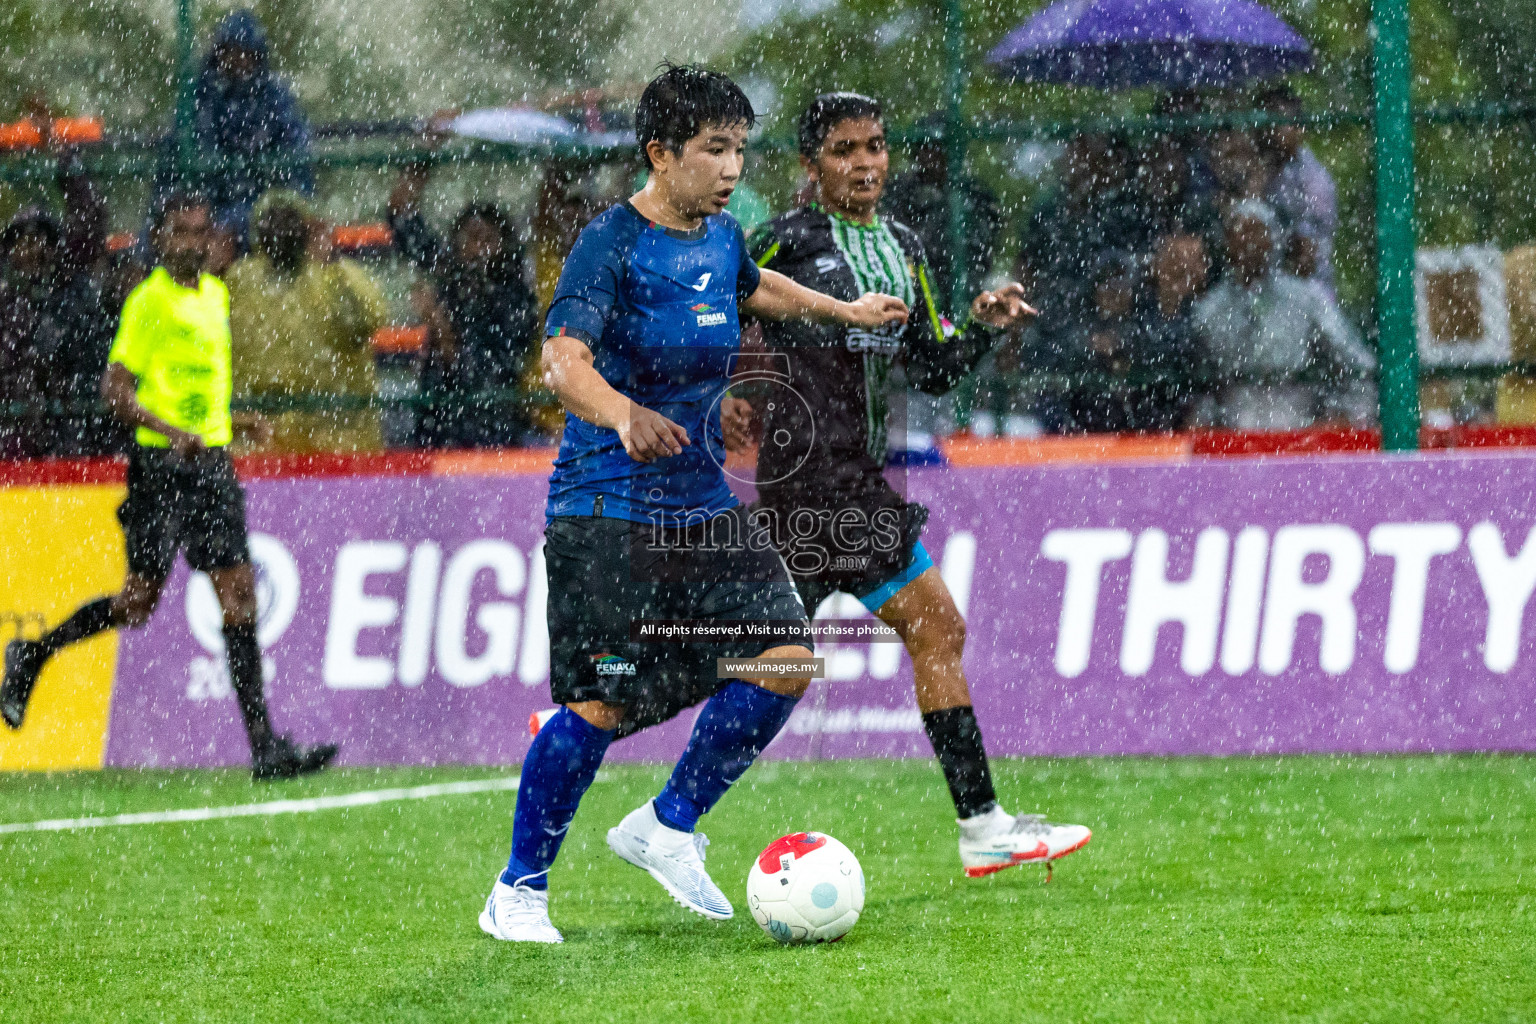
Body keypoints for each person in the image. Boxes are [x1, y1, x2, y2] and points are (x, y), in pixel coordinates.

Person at [479, 65, 909, 944]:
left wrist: (846, 311)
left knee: (785, 659)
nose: (730, 169)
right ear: (660, 153)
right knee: (601, 704)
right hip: (605, 507)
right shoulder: (610, 243)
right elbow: (563, 360)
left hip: (701, 506)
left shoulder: (719, 238)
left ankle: (666, 825)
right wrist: (622, 413)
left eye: (740, 150)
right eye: (714, 150)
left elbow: (757, 287)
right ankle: (517, 891)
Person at [723, 92, 1089, 878]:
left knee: (784, 656)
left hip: (847, 485)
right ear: (811, 165)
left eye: (876, 146)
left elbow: (928, 363)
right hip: (811, 487)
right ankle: (983, 825)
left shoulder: (902, 246)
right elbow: (716, 313)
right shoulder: (782, 243)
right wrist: (725, 391)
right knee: (919, 631)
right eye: (845, 150)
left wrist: (981, 326)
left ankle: (616, 744)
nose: (864, 164)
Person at [0, 192, 338, 781]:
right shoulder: (147, 302)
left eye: (200, 232)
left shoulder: (216, 296)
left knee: (239, 595)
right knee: (137, 603)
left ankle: (265, 749)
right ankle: (31, 654)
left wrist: (233, 422)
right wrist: (171, 432)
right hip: (160, 469)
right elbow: (117, 392)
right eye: (180, 232)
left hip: (209, 468)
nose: (192, 242)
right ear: (161, 239)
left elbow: (199, 393)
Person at [388, 135, 540, 448]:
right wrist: (427, 149)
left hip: (490, 433)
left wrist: (437, 319)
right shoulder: (448, 270)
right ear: (456, 243)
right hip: (436, 428)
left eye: (487, 238)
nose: (478, 248)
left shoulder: (516, 298)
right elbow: (400, 214)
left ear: (504, 245)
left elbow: (478, 373)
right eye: (470, 237)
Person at [225, 191, 388, 453]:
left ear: (308, 226)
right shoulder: (241, 280)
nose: (280, 231)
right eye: (271, 222)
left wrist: (330, 264)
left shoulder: (337, 273)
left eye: (289, 221)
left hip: (337, 444)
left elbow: (363, 323)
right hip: (264, 447)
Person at [1191, 200, 1375, 429]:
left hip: (1299, 431)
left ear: (1273, 240)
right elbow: (1197, 386)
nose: (1249, 242)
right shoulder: (1208, 311)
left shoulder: (1306, 299)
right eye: (1240, 232)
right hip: (1233, 438)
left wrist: (1342, 416)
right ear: (1227, 243)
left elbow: (1356, 363)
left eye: (1257, 232)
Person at [153, 9, 314, 258]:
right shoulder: (199, 98)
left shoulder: (276, 99)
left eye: (246, 53)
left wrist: (247, 221)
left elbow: (298, 171)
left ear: (257, 58)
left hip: (267, 220)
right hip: (205, 216)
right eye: (231, 52)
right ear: (218, 55)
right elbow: (176, 174)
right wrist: (210, 223)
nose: (238, 61)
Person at [0, 150, 126, 458]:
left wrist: (64, 157)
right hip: (18, 439)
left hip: (76, 430)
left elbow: (91, 220)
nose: (31, 251)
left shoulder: (72, 290)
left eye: (39, 240)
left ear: (57, 249)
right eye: (21, 242)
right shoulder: (6, 303)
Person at [1256, 85, 1339, 295]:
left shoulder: (1314, 180)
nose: (1269, 129)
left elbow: (1306, 255)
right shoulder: (1256, 167)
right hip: (1258, 290)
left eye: (1278, 121)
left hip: (1307, 294)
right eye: (1264, 121)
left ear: (1299, 129)